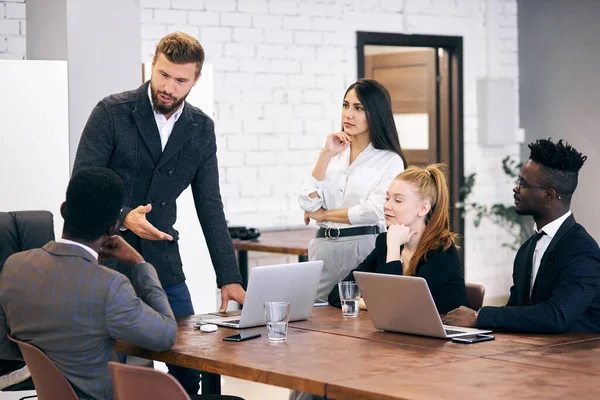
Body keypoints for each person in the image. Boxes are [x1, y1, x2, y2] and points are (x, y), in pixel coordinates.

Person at [72, 32, 244, 393]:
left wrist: (229, 277)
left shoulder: (200, 128)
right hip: (105, 259)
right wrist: (123, 216)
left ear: (196, 79)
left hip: (162, 262)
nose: (168, 86)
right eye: (163, 74)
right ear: (152, 64)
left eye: (180, 80)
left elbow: (210, 205)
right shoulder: (111, 113)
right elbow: (81, 188)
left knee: (188, 366)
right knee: (110, 370)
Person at [0, 167, 177, 400]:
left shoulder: (14, 266)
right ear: (114, 227)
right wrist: (139, 263)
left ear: (63, 210)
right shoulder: (109, 286)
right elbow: (165, 335)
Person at [443, 139, 600, 333]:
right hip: (533, 355)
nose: (515, 188)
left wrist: (479, 317)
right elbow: (515, 312)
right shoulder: (528, 248)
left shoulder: (582, 251)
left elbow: (557, 316)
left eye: (523, 184)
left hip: (575, 358)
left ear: (548, 196)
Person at [298, 79, 407, 301]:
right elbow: (307, 202)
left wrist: (323, 214)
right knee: (315, 317)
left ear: (375, 113)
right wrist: (326, 154)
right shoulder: (331, 153)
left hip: (363, 247)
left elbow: (374, 211)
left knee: (360, 318)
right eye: (346, 105)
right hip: (323, 247)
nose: (348, 114)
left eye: (358, 108)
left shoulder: (389, 160)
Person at [327, 164, 468, 314]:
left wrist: (393, 248)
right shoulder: (385, 242)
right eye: (387, 198)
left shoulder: (442, 251)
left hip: (449, 334)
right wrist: (372, 303)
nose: (387, 205)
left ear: (423, 209)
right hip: (403, 331)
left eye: (398, 200)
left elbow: (397, 306)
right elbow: (339, 294)